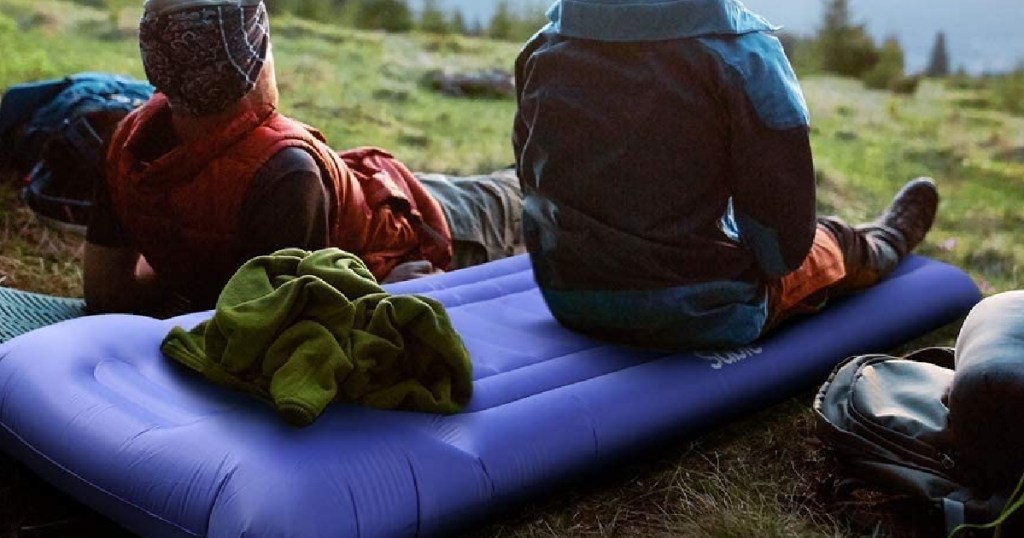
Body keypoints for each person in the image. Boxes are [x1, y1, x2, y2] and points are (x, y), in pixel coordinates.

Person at [512, 0, 939, 350]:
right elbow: (781, 253)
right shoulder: (744, 55)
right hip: (699, 310)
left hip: (569, 296)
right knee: (833, 242)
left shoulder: (543, 48)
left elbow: (532, 181)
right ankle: (886, 241)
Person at [85, 0, 522, 317]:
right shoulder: (283, 176)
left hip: (374, 188)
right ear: (251, 65)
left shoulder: (127, 145)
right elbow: (297, 328)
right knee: (518, 198)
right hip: (423, 225)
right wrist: (383, 295)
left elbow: (106, 291)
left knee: (506, 182)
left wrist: (184, 273)